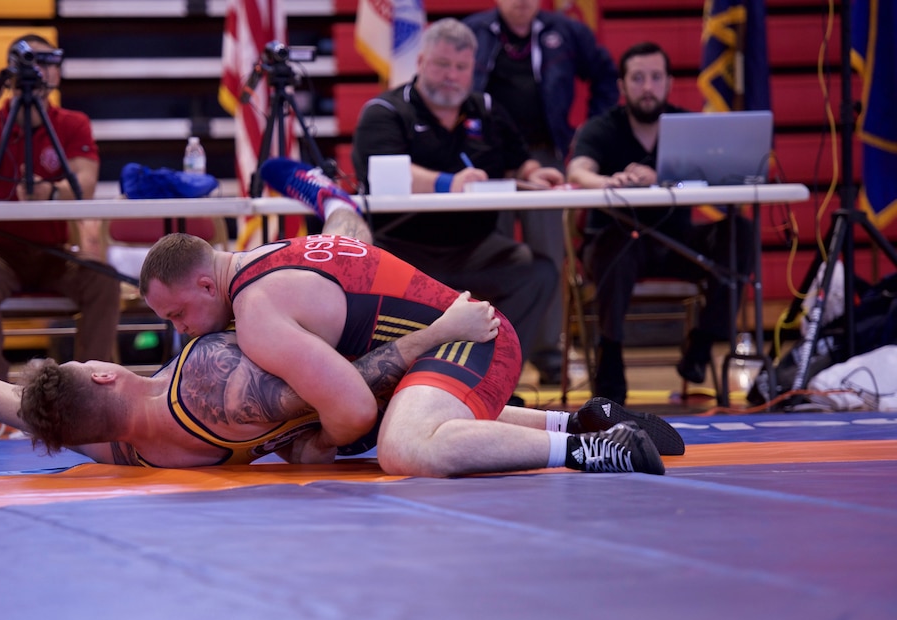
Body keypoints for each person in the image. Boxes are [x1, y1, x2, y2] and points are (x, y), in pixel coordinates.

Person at [134, 156, 684, 478]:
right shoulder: (281, 252)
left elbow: (349, 414)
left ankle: (589, 450)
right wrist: (313, 186)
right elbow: (347, 221)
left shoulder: (257, 312)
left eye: (179, 313)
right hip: (458, 339)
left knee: (402, 447)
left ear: (207, 283)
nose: (180, 329)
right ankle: (585, 420)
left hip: (471, 339)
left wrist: (315, 450)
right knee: (402, 409)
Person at [0, 294, 503, 466]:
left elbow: (14, 403)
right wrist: (441, 329)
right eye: (84, 361)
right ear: (106, 375)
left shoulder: (115, 444)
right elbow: (349, 391)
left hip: (374, 414)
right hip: (396, 377)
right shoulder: (207, 386)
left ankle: (578, 423)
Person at [350, 18, 562, 385]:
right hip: (404, 253)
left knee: (537, 273)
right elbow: (378, 169)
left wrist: (533, 173)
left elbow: (517, 157)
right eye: (442, 64)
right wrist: (449, 182)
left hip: (474, 249)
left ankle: (493, 378)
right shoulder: (384, 111)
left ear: (472, 69)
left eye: (461, 67)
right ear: (420, 62)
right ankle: (402, 384)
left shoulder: (488, 109)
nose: (452, 75)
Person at [566, 41, 755, 404]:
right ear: (622, 86)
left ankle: (702, 344)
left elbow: (718, 178)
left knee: (739, 233)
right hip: (616, 246)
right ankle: (610, 355)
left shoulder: (688, 129)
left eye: (655, 77)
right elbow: (578, 170)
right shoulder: (601, 128)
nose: (647, 87)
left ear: (669, 82)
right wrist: (611, 181)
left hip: (676, 243)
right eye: (638, 78)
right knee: (615, 246)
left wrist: (663, 177)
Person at [464, 0, 620, 385]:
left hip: (543, 158)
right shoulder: (474, 32)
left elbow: (606, 76)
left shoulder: (566, 31)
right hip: (487, 161)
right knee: (489, 256)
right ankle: (488, 347)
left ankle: (548, 352)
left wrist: (587, 134)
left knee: (549, 257)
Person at [0, 33, 119, 385]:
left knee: (103, 280)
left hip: (53, 254)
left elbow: (84, 186)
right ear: (10, 72)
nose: (39, 72)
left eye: (47, 63)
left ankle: (87, 393)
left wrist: (50, 193)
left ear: (57, 73)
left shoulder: (72, 124)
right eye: (29, 63)